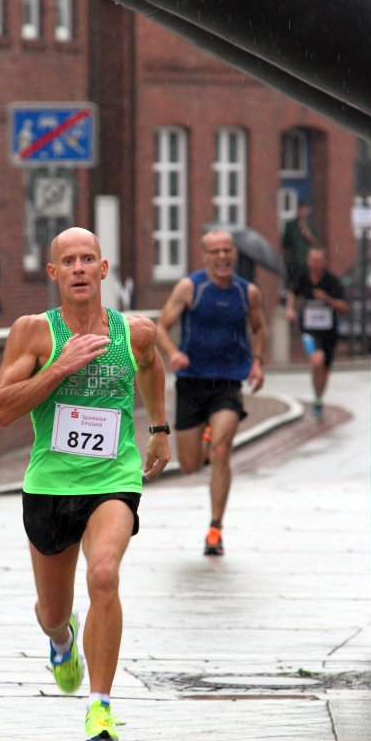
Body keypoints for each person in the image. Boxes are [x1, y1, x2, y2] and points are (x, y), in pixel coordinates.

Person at [0, 227, 170, 741]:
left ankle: (101, 708)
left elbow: (151, 366)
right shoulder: (34, 333)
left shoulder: (134, 332)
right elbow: (1, 408)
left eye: (87, 259)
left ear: (103, 269)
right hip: (49, 483)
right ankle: (61, 639)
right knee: (51, 613)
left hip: (113, 477)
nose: (78, 268)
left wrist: (159, 428)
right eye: (67, 261)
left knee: (105, 574)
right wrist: (60, 366)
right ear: (53, 273)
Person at [155, 229, 266, 557]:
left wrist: (258, 362)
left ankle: (215, 528)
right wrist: (173, 353)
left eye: (227, 250)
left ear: (235, 254)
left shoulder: (247, 292)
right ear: (204, 256)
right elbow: (161, 326)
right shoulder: (190, 287)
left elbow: (259, 328)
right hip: (192, 382)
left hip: (228, 382)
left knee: (220, 450)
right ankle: (206, 431)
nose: (222, 256)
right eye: (215, 251)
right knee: (190, 465)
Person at [285, 246, 349, 421]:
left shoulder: (332, 282)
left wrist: (327, 299)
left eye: (320, 261)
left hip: (329, 332)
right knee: (316, 360)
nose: (316, 264)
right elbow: (292, 293)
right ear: (308, 261)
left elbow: (345, 306)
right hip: (309, 330)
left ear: (324, 262)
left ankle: (318, 398)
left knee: (325, 368)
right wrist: (290, 309)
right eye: (313, 261)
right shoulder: (302, 278)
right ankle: (317, 399)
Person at [281, 200, 321, 289]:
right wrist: (287, 262)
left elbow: (317, 245)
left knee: (306, 287)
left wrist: (309, 236)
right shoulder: (291, 226)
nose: (303, 212)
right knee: (294, 287)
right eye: (301, 210)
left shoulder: (311, 226)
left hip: (307, 265)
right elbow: (285, 245)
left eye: (305, 210)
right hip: (294, 265)